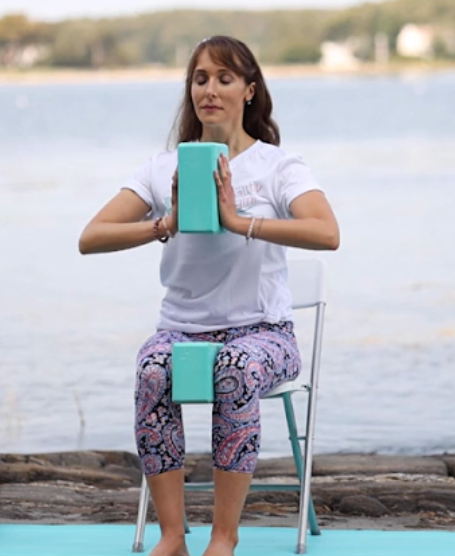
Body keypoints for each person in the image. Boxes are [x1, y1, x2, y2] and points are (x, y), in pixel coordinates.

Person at [78, 36, 339, 556]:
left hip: (264, 334)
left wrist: (239, 221)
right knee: (153, 369)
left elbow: (327, 232)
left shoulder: (278, 166)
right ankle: (172, 535)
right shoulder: (161, 168)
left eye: (224, 78)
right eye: (200, 79)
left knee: (235, 367)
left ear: (249, 90)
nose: (210, 90)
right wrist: (165, 224)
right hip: (180, 330)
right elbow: (91, 238)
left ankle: (224, 537)